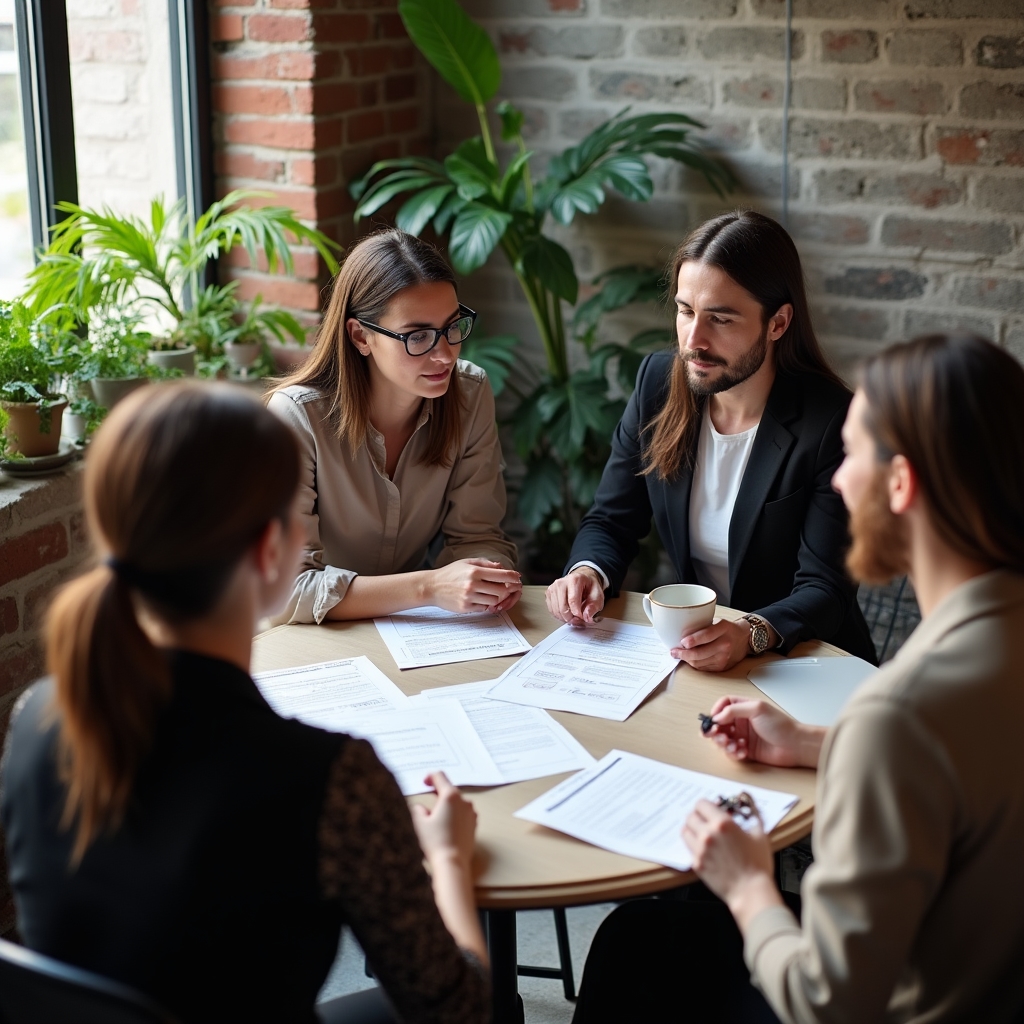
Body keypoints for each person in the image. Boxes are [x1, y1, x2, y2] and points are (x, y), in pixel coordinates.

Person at [0, 382, 490, 1024]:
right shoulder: (331, 780)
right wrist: (447, 860)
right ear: (270, 551)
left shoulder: (35, 717)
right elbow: (456, 1009)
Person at [571, 334, 1024, 1023]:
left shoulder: (899, 715)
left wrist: (748, 883)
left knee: (635, 946)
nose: (839, 480)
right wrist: (818, 743)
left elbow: (828, 1003)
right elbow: (970, 759)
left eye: (853, 457)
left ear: (901, 485)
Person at [546, 211, 875, 670]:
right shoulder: (657, 384)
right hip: (698, 654)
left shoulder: (831, 421)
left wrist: (751, 632)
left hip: (806, 660)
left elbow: (825, 589)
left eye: (720, 319)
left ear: (777, 323)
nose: (693, 340)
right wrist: (588, 570)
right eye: (685, 311)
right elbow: (611, 520)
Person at [267, 228, 521, 625]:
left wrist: (487, 577)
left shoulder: (469, 394)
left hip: (410, 629)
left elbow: (476, 535)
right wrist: (430, 588)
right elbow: (284, 592)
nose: (444, 354)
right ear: (360, 336)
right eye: (417, 336)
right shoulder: (297, 417)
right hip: (310, 637)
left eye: (453, 326)